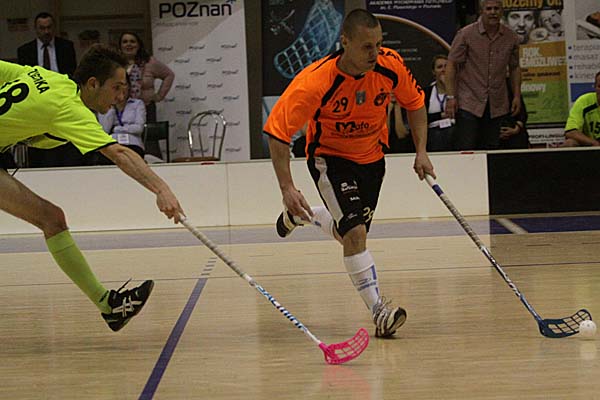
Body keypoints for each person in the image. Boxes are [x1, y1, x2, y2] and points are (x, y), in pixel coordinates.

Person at [263, 9, 435, 338]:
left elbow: (414, 103)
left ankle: (303, 216)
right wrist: (287, 187)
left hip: (373, 159)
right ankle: (379, 311)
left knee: (350, 237)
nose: (375, 53)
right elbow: (277, 133)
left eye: (379, 44)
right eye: (367, 46)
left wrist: (421, 151)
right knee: (355, 234)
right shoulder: (316, 81)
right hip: (330, 159)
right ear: (345, 42)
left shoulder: (390, 66)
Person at [0, 45, 184, 332]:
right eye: (116, 88)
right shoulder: (71, 109)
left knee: (52, 219)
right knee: (51, 219)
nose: (121, 96)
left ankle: (110, 307)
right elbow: (120, 154)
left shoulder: (48, 77)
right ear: (93, 84)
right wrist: (161, 190)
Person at [445, 0, 522, 151]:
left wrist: (517, 96)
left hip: (497, 103)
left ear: (502, 11)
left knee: (491, 148)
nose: (493, 12)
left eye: (496, 9)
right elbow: (451, 65)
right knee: (466, 147)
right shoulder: (466, 34)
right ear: (481, 11)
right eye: (489, 9)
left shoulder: (511, 37)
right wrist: (450, 97)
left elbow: (514, 67)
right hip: (469, 101)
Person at [17, 12, 83, 167]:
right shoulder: (25, 50)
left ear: (54, 27)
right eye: (42, 28)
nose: (46, 31)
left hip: (61, 98)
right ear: (36, 29)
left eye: (49, 27)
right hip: (36, 101)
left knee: (63, 141)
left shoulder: (66, 47)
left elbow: (72, 75)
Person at [118, 32, 174, 123]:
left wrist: (159, 96)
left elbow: (169, 75)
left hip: (146, 108)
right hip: (121, 108)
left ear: (138, 45)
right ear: (120, 46)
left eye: (132, 41)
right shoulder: (115, 64)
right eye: (125, 42)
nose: (128, 44)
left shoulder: (149, 62)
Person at [96, 74, 147, 164]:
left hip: (132, 143)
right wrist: (112, 105)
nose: (121, 89)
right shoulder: (105, 105)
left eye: (124, 85)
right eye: (117, 86)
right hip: (112, 144)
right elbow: (105, 130)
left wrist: (117, 129)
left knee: (129, 158)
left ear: (129, 86)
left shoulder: (137, 104)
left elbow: (138, 128)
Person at [423, 55, 454, 152]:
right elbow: (423, 118)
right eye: (440, 67)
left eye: (446, 66)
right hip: (433, 132)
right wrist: (441, 115)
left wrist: (448, 87)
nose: (443, 70)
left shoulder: (458, 91)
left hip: (453, 129)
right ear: (434, 71)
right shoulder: (426, 93)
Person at [561, 71, 600, 147]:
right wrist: (594, 143)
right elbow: (570, 132)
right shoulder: (584, 101)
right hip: (590, 145)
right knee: (569, 143)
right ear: (595, 87)